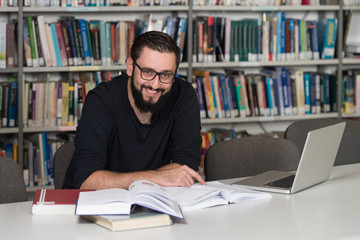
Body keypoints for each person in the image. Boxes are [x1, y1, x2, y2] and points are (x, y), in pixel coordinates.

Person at [62, 31, 205, 190]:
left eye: (165, 75)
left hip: (155, 202)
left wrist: (142, 180)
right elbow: (86, 181)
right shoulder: (100, 101)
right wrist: (157, 178)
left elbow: (186, 168)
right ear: (130, 67)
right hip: (97, 205)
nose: (155, 85)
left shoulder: (183, 96)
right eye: (148, 72)